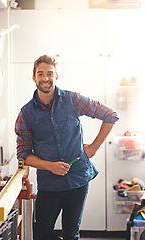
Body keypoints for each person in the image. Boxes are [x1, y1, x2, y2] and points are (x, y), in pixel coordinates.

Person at [15, 55, 119, 240]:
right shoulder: (26, 114)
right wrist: (50, 166)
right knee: (42, 235)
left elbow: (110, 115)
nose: (45, 78)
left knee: (71, 234)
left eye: (50, 74)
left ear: (56, 76)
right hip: (49, 183)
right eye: (40, 74)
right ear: (34, 78)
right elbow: (23, 155)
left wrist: (94, 147)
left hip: (78, 179)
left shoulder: (73, 100)